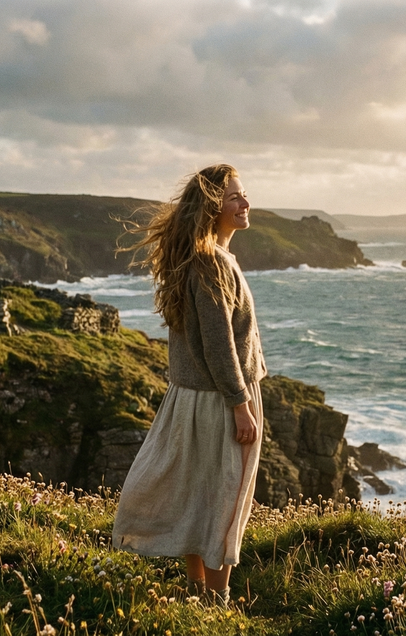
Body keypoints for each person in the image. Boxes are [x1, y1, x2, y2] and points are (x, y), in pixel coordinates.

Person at [111, 164, 266, 606]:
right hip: (220, 398)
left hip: (192, 397)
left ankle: (197, 591)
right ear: (214, 206)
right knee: (224, 498)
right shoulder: (212, 264)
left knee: (200, 493)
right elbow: (220, 345)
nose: (245, 202)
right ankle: (216, 602)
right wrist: (240, 404)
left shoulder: (197, 259)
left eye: (244, 194)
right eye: (235, 196)